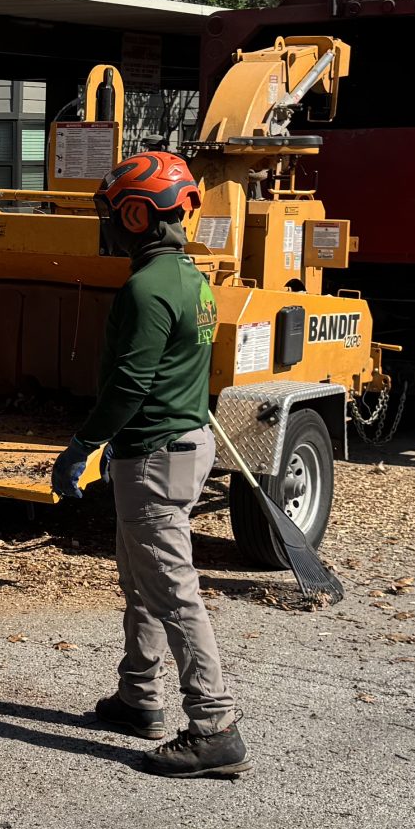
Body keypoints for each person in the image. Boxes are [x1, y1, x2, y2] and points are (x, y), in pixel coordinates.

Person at [49, 149, 248, 779]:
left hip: (155, 458)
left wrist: (83, 444)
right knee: (143, 581)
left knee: (172, 592)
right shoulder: (191, 279)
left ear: (137, 215)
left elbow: (130, 384)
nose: (107, 225)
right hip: (181, 445)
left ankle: (215, 728)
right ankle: (139, 697)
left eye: (112, 213)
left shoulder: (145, 287)